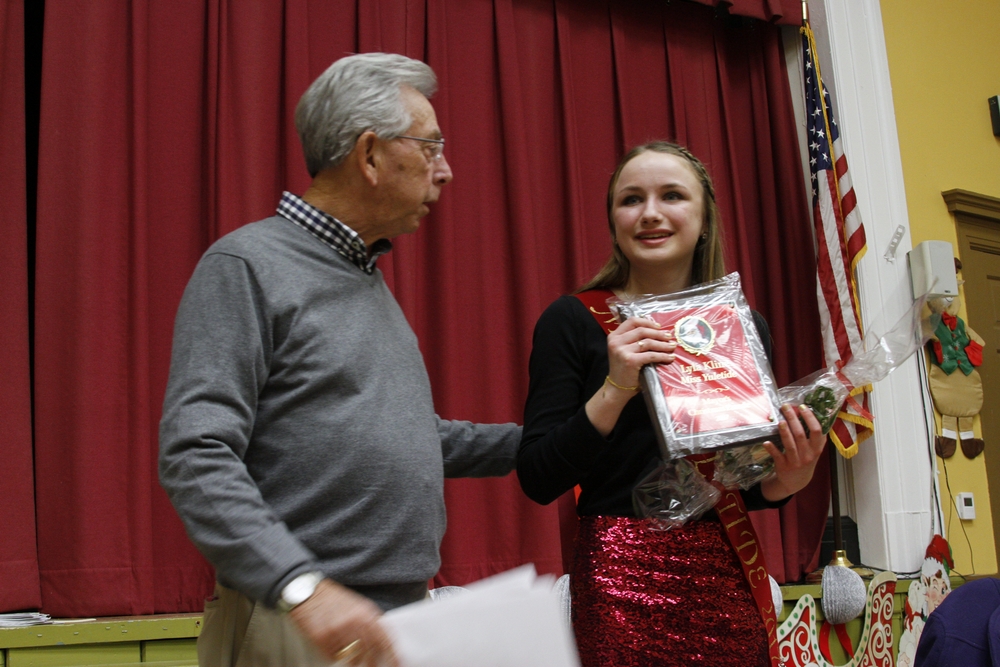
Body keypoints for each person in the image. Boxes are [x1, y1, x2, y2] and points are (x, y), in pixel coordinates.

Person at [159, 52, 521, 667]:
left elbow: (408, 437)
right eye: (431, 147)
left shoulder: (365, 277)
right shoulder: (246, 266)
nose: (447, 171)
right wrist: (302, 588)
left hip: (390, 620)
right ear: (372, 154)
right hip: (299, 620)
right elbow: (196, 454)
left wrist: (554, 438)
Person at [517, 141, 827, 666]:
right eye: (631, 199)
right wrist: (616, 387)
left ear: (704, 218)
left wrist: (786, 481)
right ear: (613, 219)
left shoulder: (742, 328)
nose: (651, 213)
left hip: (724, 572)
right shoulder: (572, 320)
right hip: (620, 576)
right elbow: (538, 475)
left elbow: (736, 480)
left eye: (672, 196)